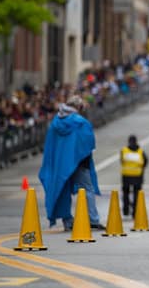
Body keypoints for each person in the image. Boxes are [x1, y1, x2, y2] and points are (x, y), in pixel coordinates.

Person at [39, 95, 105, 231]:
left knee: (63, 190)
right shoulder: (80, 122)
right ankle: (92, 219)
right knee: (87, 189)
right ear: (78, 107)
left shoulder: (55, 122)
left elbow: (51, 145)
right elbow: (89, 143)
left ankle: (67, 221)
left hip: (60, 164)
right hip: (80, 163)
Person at [120, 135, 148, 217]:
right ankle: (135, 212)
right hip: (137, 175)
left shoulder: (124, 151)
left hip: (126, 175)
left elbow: (122, 161)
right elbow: (145, 162)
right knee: (137, 194)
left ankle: (126, 209)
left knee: (125, 193)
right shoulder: (140, 151)